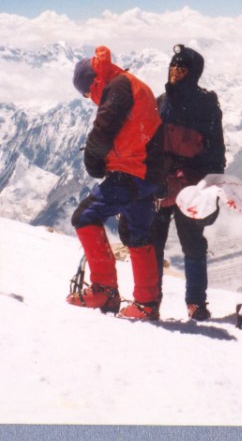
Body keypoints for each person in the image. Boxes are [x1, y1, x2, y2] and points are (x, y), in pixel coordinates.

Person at [66, 45, 165, 320]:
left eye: (87, 94)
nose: (89, 99)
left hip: (130, 172)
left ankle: (104, 290)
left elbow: (103, 129)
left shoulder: (116, 87)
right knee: (138, 233)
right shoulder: (129, 83)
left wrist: (93, 160)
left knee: (84, 216)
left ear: (92, 83)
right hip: (147, 174)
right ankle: (146, 304)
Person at [148, 45, 226, 321]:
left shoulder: (205, 106)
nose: (176, 72)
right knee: (154, 240)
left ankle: (195, 302)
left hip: (191, 185)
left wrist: (212, 187)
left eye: (182, 68)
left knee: (192, 243)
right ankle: (150, 300)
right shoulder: (160, 101)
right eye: (173, 67)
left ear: (193, 73)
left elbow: (216, 150)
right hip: (160, 181)